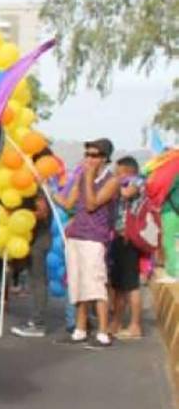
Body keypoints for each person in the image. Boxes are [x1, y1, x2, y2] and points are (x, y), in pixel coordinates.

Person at [62, 138, 120, 347]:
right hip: (77, 234)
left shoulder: (111, 181)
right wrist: (48, 188)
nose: (89, 159)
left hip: (95, 238)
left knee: (95, 284)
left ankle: (103, 333)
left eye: (94, 155)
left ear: (104, 158)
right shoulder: (81, 178)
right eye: (87, 154)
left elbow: (91, 204)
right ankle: (80, 329)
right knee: (78, 283)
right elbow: (68, 203)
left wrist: (87, 176)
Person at [108, 156, 145, 339]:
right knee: (119, 284)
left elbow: (126, 194)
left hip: (129, 238)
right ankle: (116, 322)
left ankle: (135, 326)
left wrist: (114, 184)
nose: (116, 175)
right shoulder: (124, 182)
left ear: (128, 171)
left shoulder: (137, 182)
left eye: (118, 172)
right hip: (119, 237)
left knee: (131, 284)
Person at [12, 185, 54, 338]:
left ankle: (38, 323)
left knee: (38, 282)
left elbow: (42, 213)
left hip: (39, 240)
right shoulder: (27, 189)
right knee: (34, 281)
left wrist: (20, 217)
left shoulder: (38, 190)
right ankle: (35, 320)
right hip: (31, 240)